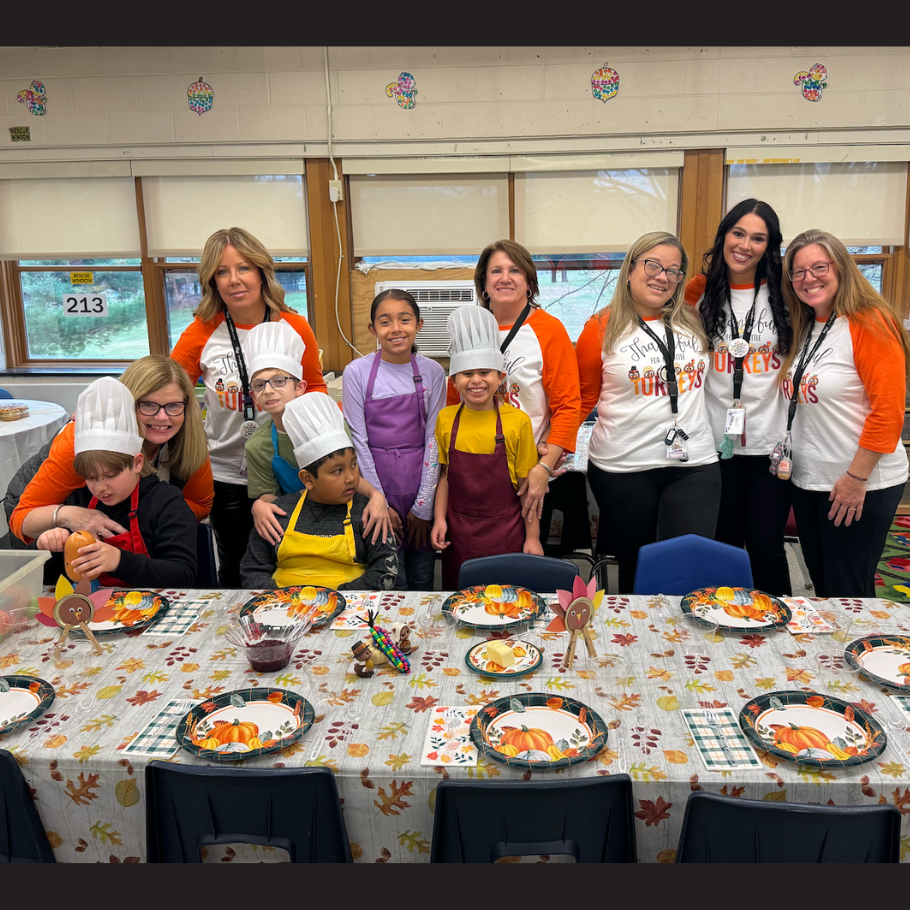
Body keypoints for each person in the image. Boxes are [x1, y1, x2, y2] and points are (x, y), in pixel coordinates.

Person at [170, 227, 330, 587]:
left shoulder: (293, 325)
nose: (234, 280)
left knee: (291, 561)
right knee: (238, 567)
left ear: (260, 271)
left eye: (243, 268)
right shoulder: (201, 332)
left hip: (286, 468)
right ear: (212, 281)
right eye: (222, 272)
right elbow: (168, 388)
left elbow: (316, 387)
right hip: (226, 474)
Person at [575, 231, 721, 593]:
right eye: (652, 265)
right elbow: (580, 399)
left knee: (686, 566)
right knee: (636, 567)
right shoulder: (598, 328)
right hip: (623, 467)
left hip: (694, 465)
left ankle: (682, 647)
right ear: (629, 270)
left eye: (673, 271)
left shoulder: (693, 320)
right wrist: (549, 452)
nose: (662, 276)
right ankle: (636, 642)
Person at [780, 229, 909, 597]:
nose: (809, 278)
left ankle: (860, 653)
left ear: (842, 268)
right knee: (824, 587)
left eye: (819, 267)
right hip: (811, 481)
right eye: (798, 271)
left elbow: (888, 411)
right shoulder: (808, 325)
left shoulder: (869, 321)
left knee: (848, 593)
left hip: (860, 482)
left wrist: (856, 478)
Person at [684, 199, 793, 594]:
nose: (745, 244)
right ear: (724, 235)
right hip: (715, 443)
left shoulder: (785, 290)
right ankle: (728, 623)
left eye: (758, 237)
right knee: (723, 543)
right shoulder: (699, 289)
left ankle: (779, 630)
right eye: (738, 233)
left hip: (770, 442)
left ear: (770, 245)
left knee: (766, 544)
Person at [445, 240, 581, 543]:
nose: (505, 278)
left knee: (524, 562)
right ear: (483, 282)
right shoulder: (469, 329)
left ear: (529, 281)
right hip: (475, 470)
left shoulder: (549, 330)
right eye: (496, 271)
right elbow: (454, 403)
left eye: (514, 270)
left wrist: (545, 467)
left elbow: (568, 406)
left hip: (529, 470)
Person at [10, 355, 212, 546]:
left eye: (174, 405)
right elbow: (21, 518)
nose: (162, 417)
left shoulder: (189, 437)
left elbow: (200, 504)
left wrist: (153, 514)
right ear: (126, 405)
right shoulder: (80, 443)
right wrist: (71, 516)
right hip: (46, 513)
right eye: (148, 405)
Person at [34, 377, 197, 588]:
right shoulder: (78, 500)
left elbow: (183, 575)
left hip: (149, 608)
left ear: (137, 463)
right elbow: (51, 583)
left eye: (111, 475)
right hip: (88, 612)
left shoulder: (166, 503)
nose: (100, 487)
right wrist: (49, 548)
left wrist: (119, 561)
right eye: (91, 477)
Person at [431, 306, 542, 589]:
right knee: (459, 601)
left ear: (500, 378)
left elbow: (528, 489)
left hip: (505, 532)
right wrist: (439, 519)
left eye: (485, 372)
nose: (476, 380)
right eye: (466, 373)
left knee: (504, 603)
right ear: (454, 380)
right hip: (456, 533)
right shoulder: (446, 419)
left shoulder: (517, 422)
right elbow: (443, 476)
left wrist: (532, 538)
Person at [240, 393, 398, 591]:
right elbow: (252, 570)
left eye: (353, 465)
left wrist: (332, 601)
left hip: (350, 610)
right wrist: (283, 602)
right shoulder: (278, 513)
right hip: (284, 611)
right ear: (308, 479)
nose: (351, 478)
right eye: (337, 471)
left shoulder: (369, 513)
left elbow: (384, 572)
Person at [343, 290, 445, 590]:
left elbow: (433, 439)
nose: (396, 329)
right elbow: (358, 441)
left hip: (420, 484)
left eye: (405, 319)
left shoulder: (433, 371)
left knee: (423, 574)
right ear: (373, 329)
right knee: (388, 576)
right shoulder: (356, 372)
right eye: (385, 322)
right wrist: (380, 502)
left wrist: (423, 507)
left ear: (419, 324)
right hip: (375, 487)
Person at [241, 320, 309, 539]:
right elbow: (269, 496)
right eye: (259, 385)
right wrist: (259, 505)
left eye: (279, 381)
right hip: (294, 521)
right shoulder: (258, 445)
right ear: (253, 396)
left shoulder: (327, 425)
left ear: (300, 388)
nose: (268, 390)